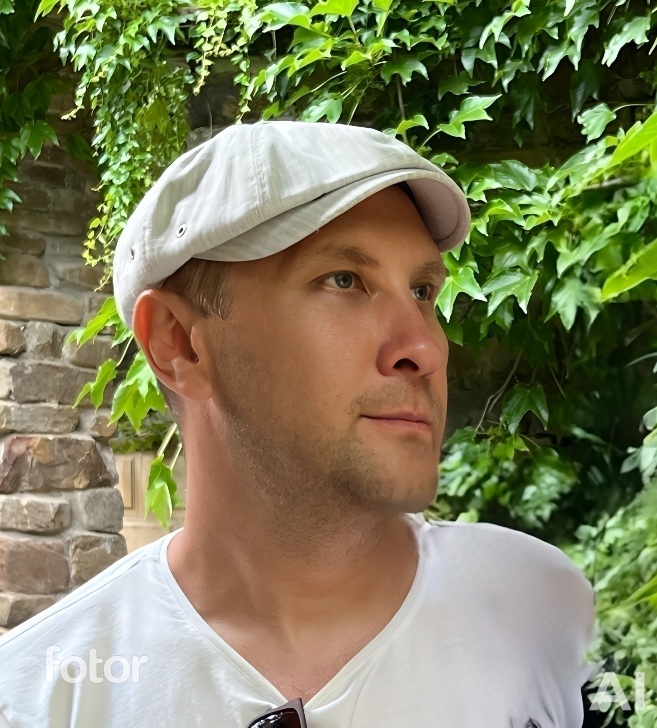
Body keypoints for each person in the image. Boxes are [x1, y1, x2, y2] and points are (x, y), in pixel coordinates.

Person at [0, 121, 595, 727]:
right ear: (178, 344)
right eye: (344, 281)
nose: (425, 348)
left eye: (422, 291)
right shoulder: (36, 701)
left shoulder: (544, 613)